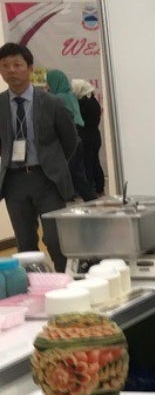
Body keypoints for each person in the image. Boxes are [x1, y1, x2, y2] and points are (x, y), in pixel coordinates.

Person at [0, 43, 78, 271]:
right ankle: (34, 286)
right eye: (5, 66)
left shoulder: (52, 102)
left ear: (30, 68)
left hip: (47, 179)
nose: (11, 70)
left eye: (17, 64)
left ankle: (65, 282)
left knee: (55, 240)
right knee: (25, 244)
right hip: (14, 181)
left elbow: (71, 140)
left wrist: (54, 164)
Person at [46, 70, 97, 202]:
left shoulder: (58, 99)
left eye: (49, 82)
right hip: (78, 135)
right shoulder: (71, 95)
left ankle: (75, 198)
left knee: (71, 172)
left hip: (68, 137)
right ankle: (91, 199)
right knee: (79, 173)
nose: (47, 85)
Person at [71, 78, 105, 197]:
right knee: (95, 162)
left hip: (86, 137)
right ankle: (99, 187)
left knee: (87, 164)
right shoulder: (93, 101)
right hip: (95, 135)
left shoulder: (82, 103)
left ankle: (89, 189)